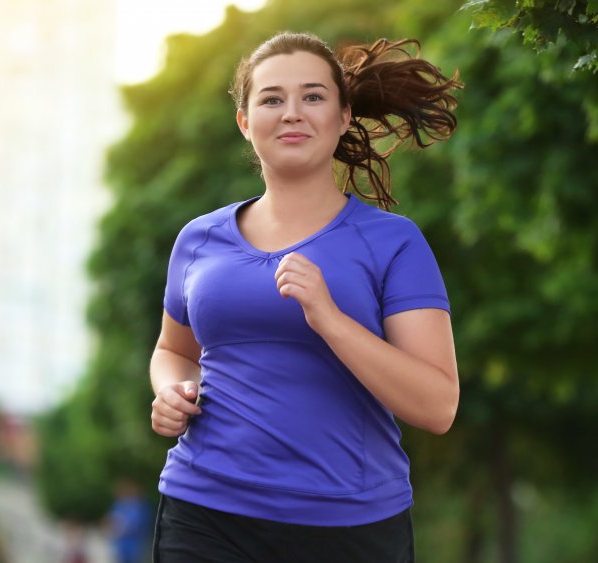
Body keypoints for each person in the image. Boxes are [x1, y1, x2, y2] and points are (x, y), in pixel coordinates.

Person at [148, 31, 461, 562]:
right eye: (272, 99)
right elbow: (174, 351)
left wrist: (330, 318)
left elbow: (437, 406)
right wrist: (174, 391)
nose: (292, 112)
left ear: (343, 118)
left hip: (347, 526)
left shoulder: (393, 242)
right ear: (245, 122)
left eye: (313, 96)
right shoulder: (198, 239)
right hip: (203, 509)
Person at [105, 479, 154, 563]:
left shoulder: (140, 506)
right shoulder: (118, 505)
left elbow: (135, 525)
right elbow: (109, 521)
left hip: (136, 546)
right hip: (120, 545)